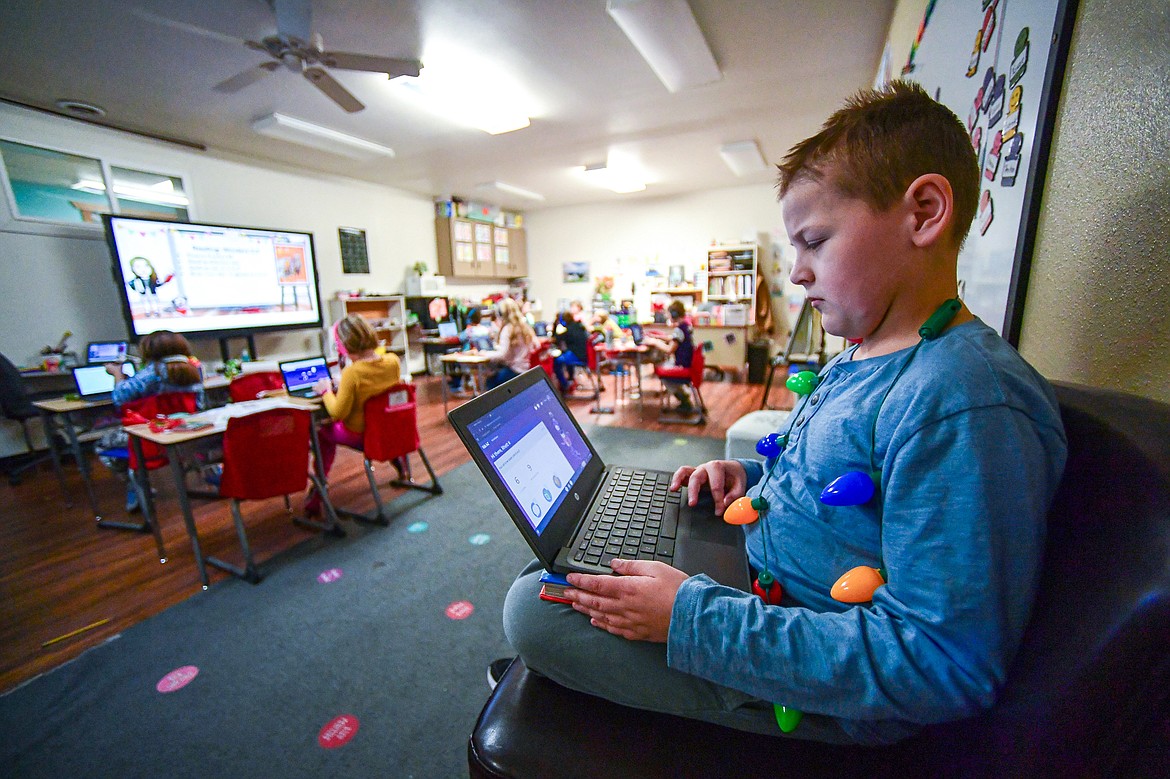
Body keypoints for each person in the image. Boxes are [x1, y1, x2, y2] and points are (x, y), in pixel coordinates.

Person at [499, 81, 1068, 745]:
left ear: (924, 211)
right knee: (568, 562)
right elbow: (832, 482)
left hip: (805, 652)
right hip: (757, 573)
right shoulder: (863, 353)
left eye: (814, 240)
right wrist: (749, 480)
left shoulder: (961, 397)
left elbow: (944, 662)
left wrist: (687, 616)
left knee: (531, 607)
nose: (796, 272)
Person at [99, 330, 206, 512]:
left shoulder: (152, 371)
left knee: (102, 445)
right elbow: (200, 405)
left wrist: (117, 375)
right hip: (185, 433)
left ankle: (137, 486)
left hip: (152, 438)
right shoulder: (194, 368)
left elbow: (119, 398)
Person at [306, 314, 401, 516]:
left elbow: (337, 412)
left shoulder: (353, 373)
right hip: (390, 429)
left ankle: (319, 488)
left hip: (361, 433)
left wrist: (325, 391)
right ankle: (398, 462)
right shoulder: (392, 361)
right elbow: (376, 388)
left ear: (344, 344)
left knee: (322, 432)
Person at [642, 300, 696, 413]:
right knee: (662, 366)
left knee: (662, 373)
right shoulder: (685, 326)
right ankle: (684, 397)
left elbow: (669, 350)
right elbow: (674, 338)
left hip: (682, 365)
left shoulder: (679, 330)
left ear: (674, 315)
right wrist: (658, 337)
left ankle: (683, 399)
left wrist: (655, 342)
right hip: (688, 362)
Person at [481, 298, 539, 390]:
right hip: (524, 369)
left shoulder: (508, 329)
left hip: (513, 371)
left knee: (490, 381)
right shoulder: (525, 327)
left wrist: (485, 353)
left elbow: (502, 355)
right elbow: (536, 345)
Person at [552, 308, 589, 395]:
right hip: (582, 354)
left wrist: (556, 325)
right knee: (566, 356)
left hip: (577, 356)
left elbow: (556, 339)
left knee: (557, 361)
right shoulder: (579, 326)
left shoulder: (566, 329)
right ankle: (571, 379)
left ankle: (564, 384)